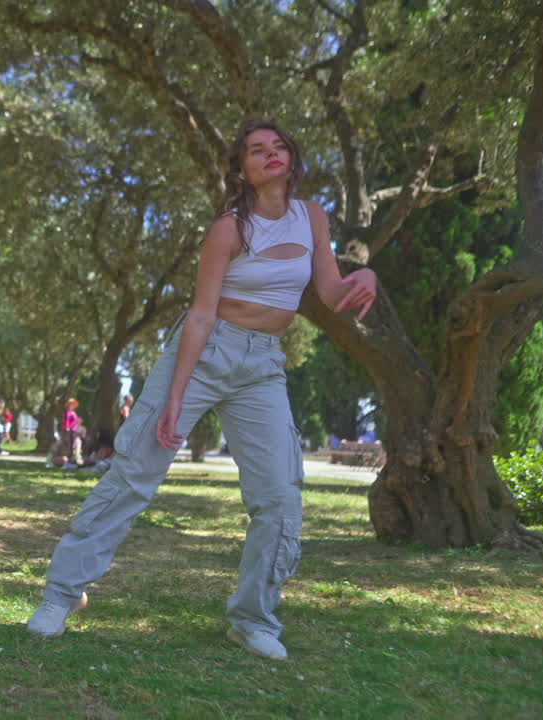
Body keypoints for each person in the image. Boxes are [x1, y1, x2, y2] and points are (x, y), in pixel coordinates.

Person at [26, 121, 377, 661]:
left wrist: (365, 277)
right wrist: (174, 397)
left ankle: (253, 619)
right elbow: (199, 315)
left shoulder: (311, 216)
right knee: (134, 472)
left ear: (291, 157)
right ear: (241, 169)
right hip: (206, 350)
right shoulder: (229, 229)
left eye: (279, 146)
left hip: (263, 365)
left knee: (280, 494)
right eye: (257, 150)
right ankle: (61, 594)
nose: (271, 154)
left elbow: (330, 292)